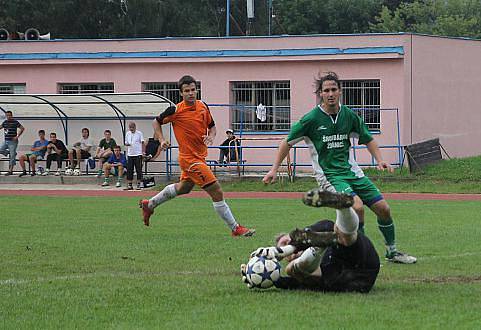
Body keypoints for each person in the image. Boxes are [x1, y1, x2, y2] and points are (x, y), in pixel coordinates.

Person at [262, 71, 416, 264]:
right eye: (326, 90)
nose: (330, 93)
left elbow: (368, 138)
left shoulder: (349, 115)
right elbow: (286, 142)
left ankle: (392, 252)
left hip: (352, 173)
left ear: (340, 91)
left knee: (384, 209)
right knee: (357, 207)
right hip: (330, 176)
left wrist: (379, 160)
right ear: (320, 94)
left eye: (334, 89)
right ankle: (361, 255)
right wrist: (274, 169)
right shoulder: (310, 120)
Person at [139, 75, 255, 237]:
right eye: (187, 91)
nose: (191, 93)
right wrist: (162, 139)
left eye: (193, 90)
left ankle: (149, 204)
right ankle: (235, 228)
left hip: (199, 157)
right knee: (217, 191)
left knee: (183, 188)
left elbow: (212, 127)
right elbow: (155, 122)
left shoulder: (203, 106)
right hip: (189, 160)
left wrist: (211, 137)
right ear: (181, 93)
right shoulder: (176, 110)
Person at [242, 188, 380, 293]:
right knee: (293, 271)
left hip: (362, 259)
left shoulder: (320, 230)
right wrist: (262, 276)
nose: (288, 244)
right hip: (354, 282)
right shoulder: (298, 269)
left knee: (341, 235)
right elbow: (290, 283)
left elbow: (326, 224)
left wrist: (286, 249)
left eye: (286, 241)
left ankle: (342, 207)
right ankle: (317, 249)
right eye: (284, 249)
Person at [0, 110, 25, 175]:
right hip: (6, 141)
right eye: (7, 115)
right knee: (1, 149)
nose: (8, 117)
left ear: (11, 115)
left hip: (13, 142)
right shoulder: (5, 122)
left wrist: (17, 136)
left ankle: (10, 170)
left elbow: (22, 128)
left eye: (9, 115)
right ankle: (11, 153)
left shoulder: (15, 122)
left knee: (12, 156)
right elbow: (0, 127)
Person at [124, 121, 144, 190]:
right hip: (130, 154)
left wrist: (143, 152)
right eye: (130, 127)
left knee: (138, 169)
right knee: (129, 169)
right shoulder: (127, 133)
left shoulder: (139, 133)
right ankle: (130, 184)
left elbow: (142, 142)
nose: (131, 129)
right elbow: (126, 142)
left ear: (135, 127)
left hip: (138, 154)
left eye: (132, 127)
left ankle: (139, 184)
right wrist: (127, 144)